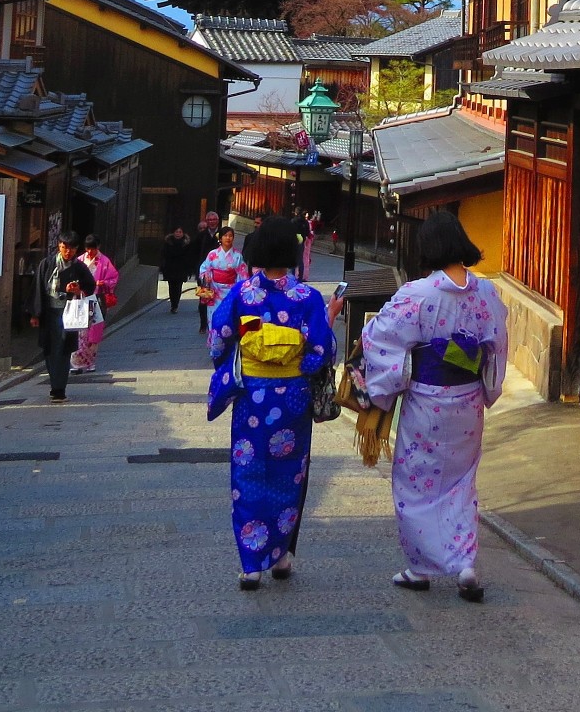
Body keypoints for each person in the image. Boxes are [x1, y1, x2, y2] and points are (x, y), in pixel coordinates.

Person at [358, 209, 509, 602]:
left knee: (416, 480)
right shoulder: (487, 292)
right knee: (461, 482)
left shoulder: (417, 294)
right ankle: (464, 562)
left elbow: (380, 337)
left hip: (428, 401)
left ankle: (422, 568)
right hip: (468, 401)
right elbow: (496, 346)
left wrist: (381, 387)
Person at [206, 215, 338, 590]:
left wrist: (238, 360)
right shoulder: (306, 298)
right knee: (287, 475)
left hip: (253, 398)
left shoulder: (243, 294)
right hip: (293, 398)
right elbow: (323, 349)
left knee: (248, 473)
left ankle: (251, 563)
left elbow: (220, 338)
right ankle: (280, 556)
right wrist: (303, 365)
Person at [30, 232, 96, 400]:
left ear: (76, 249)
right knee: (49, 349)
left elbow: (90, 287)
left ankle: (59, 388)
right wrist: (35, 313)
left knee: (64, 350)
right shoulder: (47, 264)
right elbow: (37, 288)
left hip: (70, 313)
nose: (68, 252)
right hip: (49, 312)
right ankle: (54, 383)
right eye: (64, 247)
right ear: (59, 246)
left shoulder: (79, 267)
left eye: (72, 248)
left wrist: (78, 290)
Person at [70, 234, 120, 374]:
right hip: (80, 299)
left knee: (93, 331)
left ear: (98, 247)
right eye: (87, 249)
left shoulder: (104, 262)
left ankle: (90, 362)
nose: (90, 252)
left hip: (96, 299)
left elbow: (113, 278)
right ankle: (77, 364)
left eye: (92, 249)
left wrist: (102, 283)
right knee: (79, 331)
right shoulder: (79, 260)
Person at [196, 224, 246, 335]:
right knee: (213, 316)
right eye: (225, 235)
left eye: (230, 236)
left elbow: (242, 274)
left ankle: (227, 340)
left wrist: (239, 289)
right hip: (215, 289)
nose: (228, 238)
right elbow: (204, 268)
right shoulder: (212, 254)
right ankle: (214, 340)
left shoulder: (238, 256)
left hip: (231, 290)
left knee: (228, 317)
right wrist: (207, 276)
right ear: (220, 238)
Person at [191, 211, 224, 331]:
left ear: (218, 221)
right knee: (204, 298)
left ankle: (216, 323)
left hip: (220, 271)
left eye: (214, 220)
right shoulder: (201, 235)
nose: (212, 222)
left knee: (218, 298)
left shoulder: (223, 233)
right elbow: (195, 253)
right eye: (209, 220)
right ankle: (203, 323)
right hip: (205, 272)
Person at [159, 225, 194, 313]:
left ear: (183, 233)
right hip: (170, 268)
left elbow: (189, 257)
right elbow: (164, 255)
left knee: (178, 287)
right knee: (171, 286)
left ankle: (175, 305)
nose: (178, 234)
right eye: (176, 232)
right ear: (173, 233)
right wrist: (163, 267)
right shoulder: (168, 242)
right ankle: (172, 303)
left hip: (181, 268)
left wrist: (189, 269)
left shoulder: (186, 243)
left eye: (180, 232)